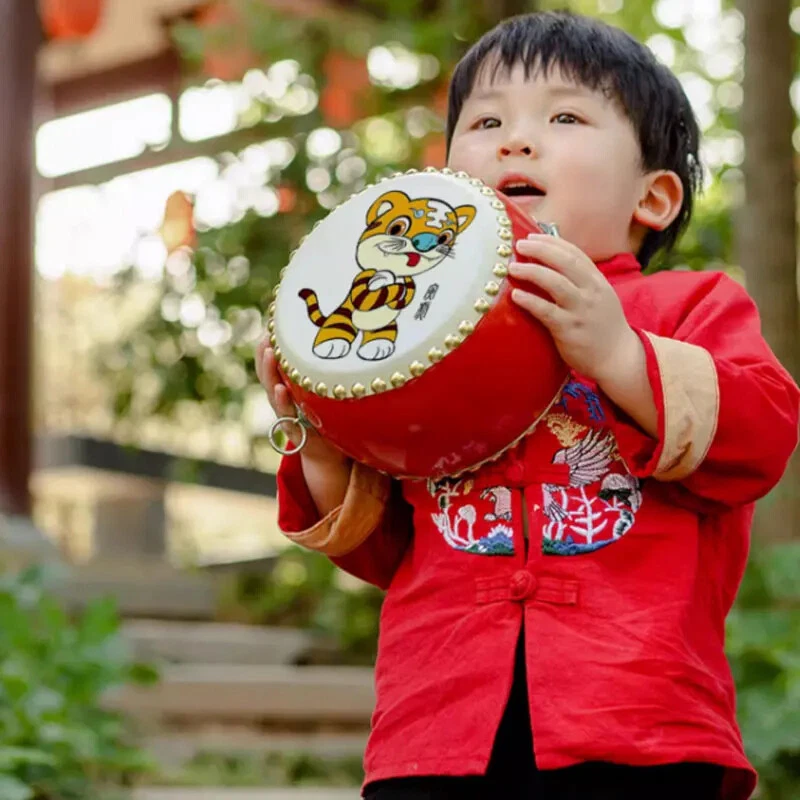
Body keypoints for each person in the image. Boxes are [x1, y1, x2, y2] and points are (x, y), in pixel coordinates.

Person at [256, 11, 800, 800]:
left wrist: (619, 356)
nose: (514, 140)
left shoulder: (690, 306)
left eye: (565, 116)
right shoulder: (401, 333)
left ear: (652, 197)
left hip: (635, 726)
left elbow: (762, 435)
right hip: (437, 732)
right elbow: (380, 549)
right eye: (485, 121)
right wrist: (326, 436)